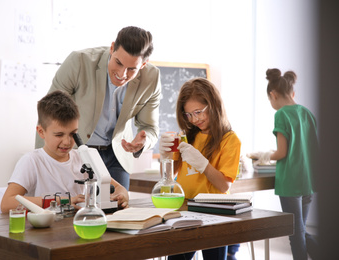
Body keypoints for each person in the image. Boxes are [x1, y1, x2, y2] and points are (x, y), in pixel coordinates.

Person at [35, 26, 161, 190]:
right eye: (118, 62)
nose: (122, 74)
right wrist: (41, 161)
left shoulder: (151, 78)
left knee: (119, 211)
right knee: (71, 208)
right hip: (77, 151)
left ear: (144, 64)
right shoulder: (79, 62)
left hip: (117, 156)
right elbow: (48, 111)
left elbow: (150, 128)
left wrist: (143, 141)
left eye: (131, 69)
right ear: (111, 48)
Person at [1, 90, 129, 213]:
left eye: (73, 134)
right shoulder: (32, 161)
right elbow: (7, 203)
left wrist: (122, 194)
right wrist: (63, 201)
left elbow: (118, 187)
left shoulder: (82, 158)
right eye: (59, 135)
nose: (67, 142)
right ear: (41, 132)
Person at [159, 78, 241, 260]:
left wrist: (203, 164)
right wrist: (164, 155)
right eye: (188, 115)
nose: (194, 119)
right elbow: (167, 178)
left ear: (213, 105)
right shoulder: (187, 137)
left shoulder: (230, 140)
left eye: (198, 112)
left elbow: (224, 186)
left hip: (214, 212)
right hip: (184, 210)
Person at [250, 69, 318, 260]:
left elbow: (281, 152)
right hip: (308, 182)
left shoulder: (281, 115)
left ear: (273, 95)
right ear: (293, 93)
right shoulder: (307, 113)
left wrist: (262, 155)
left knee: (295, 235)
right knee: (301, 230)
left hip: (290, 183)